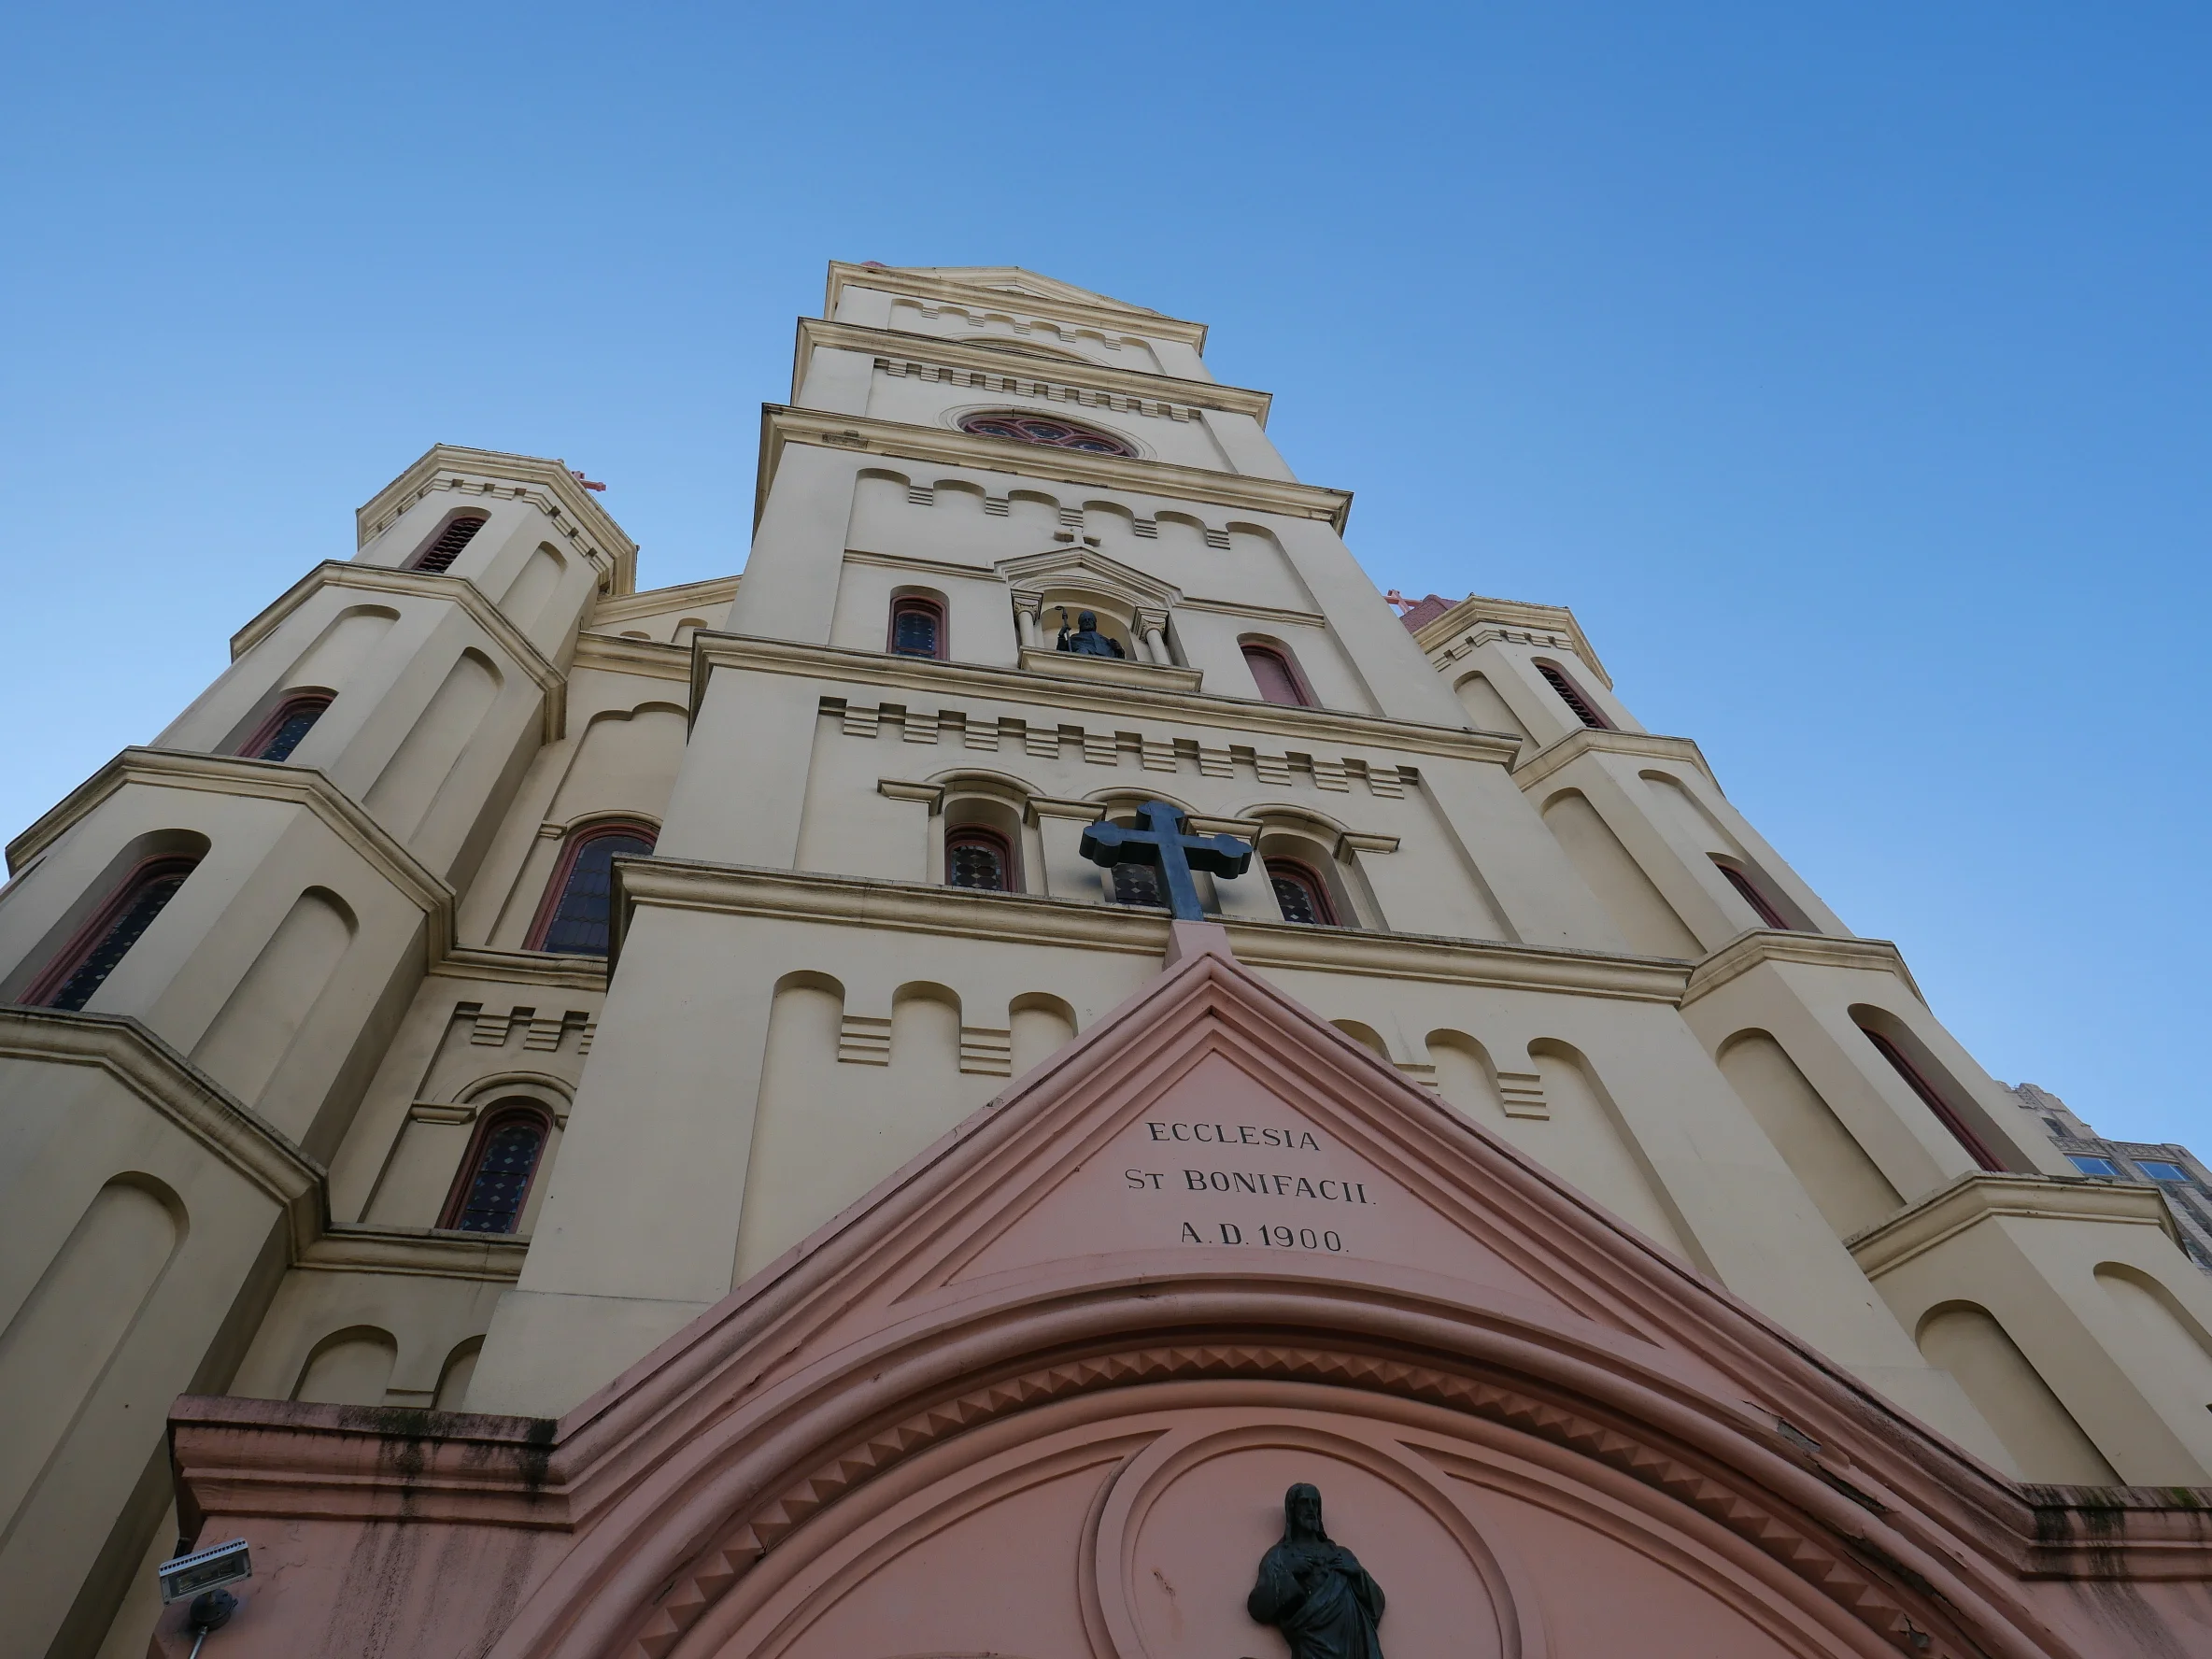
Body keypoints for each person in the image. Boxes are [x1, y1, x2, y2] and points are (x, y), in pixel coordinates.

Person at [1246, 1483, 1385, 1659]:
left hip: (1352, 1643)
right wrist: (1289, 1573)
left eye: (1315, 1503)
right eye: (1305, 1502)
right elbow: (1258, 1608)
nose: (1311, 1508)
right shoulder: (1281, 1556)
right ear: (1292, 1509)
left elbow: (1376, 1604)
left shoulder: (1340, 1554)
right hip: (1312, 1643)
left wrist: (1357, 1574)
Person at [1056, 608, 1125, 658]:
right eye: (1084, 620)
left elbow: (1119, 659)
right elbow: (1062, 652)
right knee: (1082, 651)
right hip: (1083, 662)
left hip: (1106, 663)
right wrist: (1061, 636)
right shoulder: (1074, 638)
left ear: (1094, 624)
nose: (1087, 621)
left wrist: (1119, 650)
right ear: (1080, 625)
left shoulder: (1105, 640)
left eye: (1090, 620)